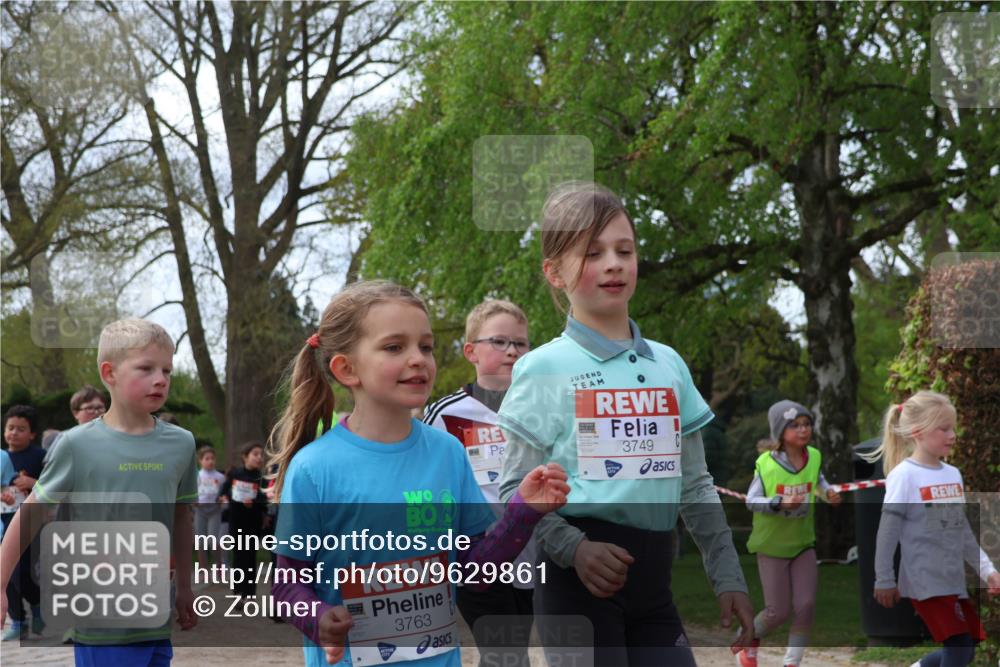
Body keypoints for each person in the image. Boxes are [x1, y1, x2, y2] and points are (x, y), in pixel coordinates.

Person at [497, 182, 755, 666]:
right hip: (575, 587)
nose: (613, 263)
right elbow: (514, 490)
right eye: (592, 253)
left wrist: (729, 577)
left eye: (625, 250)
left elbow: (696, 485)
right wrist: (574, 550)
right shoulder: (542, 367)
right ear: (554, 272)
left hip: (655, 590)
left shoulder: (670, 365)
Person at [268, 280, 570, 667]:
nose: (418, 359)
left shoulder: (448, 452)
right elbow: (286, 584)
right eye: (395, 347)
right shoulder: (314, 468)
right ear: (346, 369)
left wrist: (523, 513)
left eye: (425, 347)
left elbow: (476, 572)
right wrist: (319, 619)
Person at [0, 319, 198, 665]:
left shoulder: (181, 444)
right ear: (110, 373)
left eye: (167, 369)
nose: (161, 379)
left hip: (156, 614)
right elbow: (31, 513)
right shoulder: (76, 444)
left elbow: (181, 517)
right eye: (146, 368)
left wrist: (184, 586)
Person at [423, 299, 535, 666]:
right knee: (506, 653)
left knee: (513, 650)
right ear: (471, 351)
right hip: (477, 554)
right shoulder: (446, 413)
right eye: (499, 342)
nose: (512, 351)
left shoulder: (541, 409)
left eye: (520, 343)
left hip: (535, 553)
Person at [868, 391, 1000, 667]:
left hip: (951, 579)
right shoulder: (904, 476)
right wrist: (884, 579)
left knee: (967, 647)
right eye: (943, 429)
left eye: (953, 427)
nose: (952, 435)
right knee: (959, 644)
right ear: (918, 432)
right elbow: (887, 533)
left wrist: (987, 570)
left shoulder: (953, 475)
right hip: (924, 579)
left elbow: (961, 530)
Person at [738, 400, 842, 667]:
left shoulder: (815, 456)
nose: (803, 430)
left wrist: (828, 493)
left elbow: (818, 483)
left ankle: (791, 663)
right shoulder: (766, 464)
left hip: (803, 545)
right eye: (795, 426)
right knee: (777, 612)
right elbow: (751, 500)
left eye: (806, 424)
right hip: (772, 546)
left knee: (806, 606)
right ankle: (746, 639)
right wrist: (778, 503)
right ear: (780, 432)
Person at [1, 405, 47, 641]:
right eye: (10, 428)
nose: (14, 433)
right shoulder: (1, 457)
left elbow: (54, 486)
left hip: (32, 521)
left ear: (31, 434)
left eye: (21, 429)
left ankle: (38, 606)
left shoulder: (40, 456)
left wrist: (32, 481)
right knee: (5, 573)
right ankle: (18, 621)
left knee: (23, 572)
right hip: (4, 520)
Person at [218, 441, 268, 599]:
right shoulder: (235, 474)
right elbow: (224, 490)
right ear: (245, 457)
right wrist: (224, 497)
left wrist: (255, 502)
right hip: (237, 521)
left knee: (250, 557)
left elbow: (265, 499)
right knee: (239, 556)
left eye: (261, 455)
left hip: (253, 523)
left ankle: (250, 593)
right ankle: (238, 592)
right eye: (255, 454)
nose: (259, 458)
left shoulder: (262, 478)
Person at [194, 445, 227, 578]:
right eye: (207, 458)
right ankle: (203, 570)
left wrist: (222, 499)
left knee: (213, 541)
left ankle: (219, 567)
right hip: (200, 510)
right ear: (200, 461)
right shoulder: (196, 476)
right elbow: (190, 492)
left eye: (212, 458)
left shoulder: (220, 477)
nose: (210, 461)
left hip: (215, 510)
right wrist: (192, 501)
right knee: (201, 541)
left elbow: (225, 493)